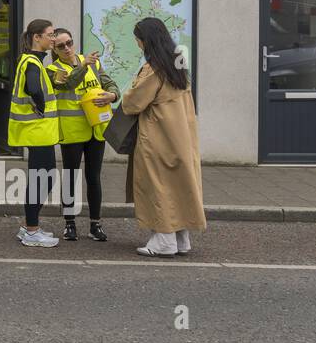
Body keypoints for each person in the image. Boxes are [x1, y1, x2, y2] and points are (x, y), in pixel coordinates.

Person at [122, 17, 206, 257]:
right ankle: (181, 238)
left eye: (138, 39)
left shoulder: (153, 69)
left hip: (158, 136)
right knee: (177, 186)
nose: (137, 43)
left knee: (157, 186)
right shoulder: (177, 64)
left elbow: (133, 103)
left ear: (146, 41)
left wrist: (122, 97)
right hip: (182, 137)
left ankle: (163, 240)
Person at [47, 29, 119, 242]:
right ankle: (69, 224)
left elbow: (109, 83)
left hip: (96, 129)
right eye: (61, 46)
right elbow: (68, 84)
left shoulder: (92, 63)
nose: (67, 48)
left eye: (69, 42)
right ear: (54, 48)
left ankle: (95, 225)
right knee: (71, 177)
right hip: (72, 131)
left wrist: (113, 95)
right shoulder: (53, 69)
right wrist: (82, 66)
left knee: (94, 178)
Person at [9, 18, 60, 247]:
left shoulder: (31, 60)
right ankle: (31, 230)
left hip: (39, 132)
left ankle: (30, 226)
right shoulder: (32, 62)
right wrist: (40, 104)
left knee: (43, 178)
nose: (54, 38)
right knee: (43, 179)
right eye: (50, 34)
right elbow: (32, 87)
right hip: (37, 131)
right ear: (36, 37)